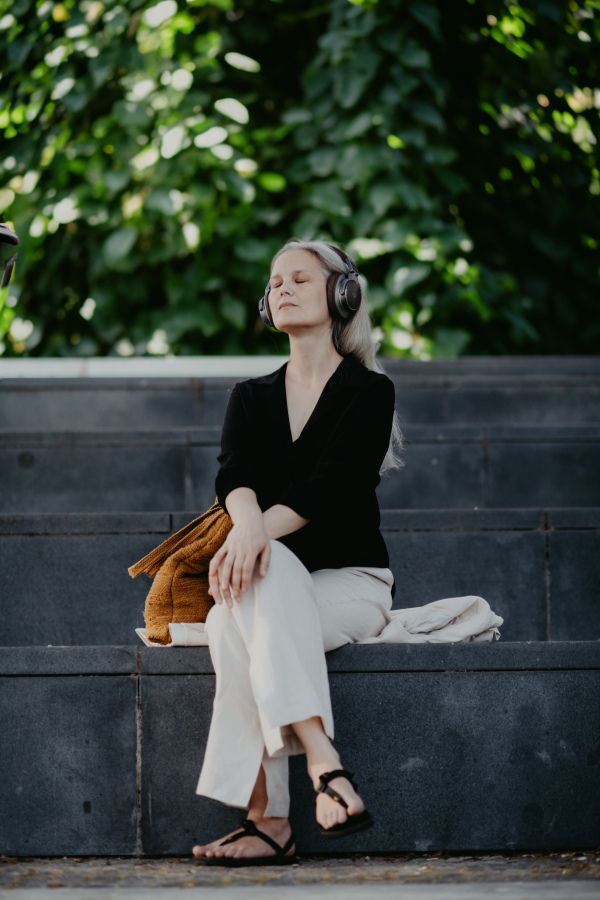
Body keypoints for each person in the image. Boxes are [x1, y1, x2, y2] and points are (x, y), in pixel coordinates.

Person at [192, 239, 403, 866]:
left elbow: (330, 490)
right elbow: (234, 478)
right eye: (275, 281)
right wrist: (248, 523)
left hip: (353, 584)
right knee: (230, 616)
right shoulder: (250, 396)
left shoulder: (370, 392)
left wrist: (252, 535)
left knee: (238, 602)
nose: (281, 288)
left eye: (300, 279)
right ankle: (323, 767)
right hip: (272, 583)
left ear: (342, 295)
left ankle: (270, 817)